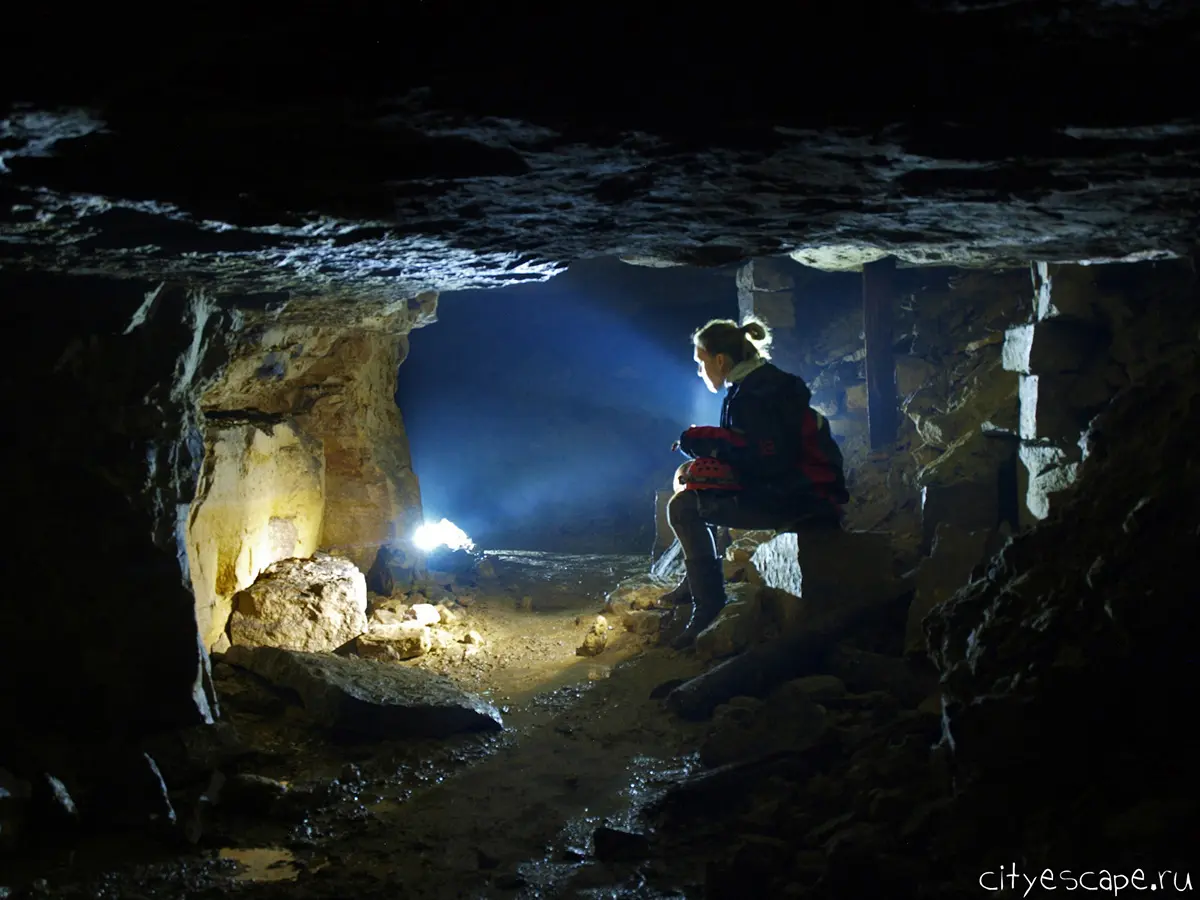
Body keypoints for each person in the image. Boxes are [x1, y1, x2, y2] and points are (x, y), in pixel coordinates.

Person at [662, 315, 849, 650]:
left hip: (798, 500)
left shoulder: (754, 394)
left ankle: (708, 606)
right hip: (801, 491)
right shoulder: (761, 383)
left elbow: (766, 459)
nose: (700, 371)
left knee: (684, 507)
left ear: (720, 359)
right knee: (700, 485)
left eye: (701, 362)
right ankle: (694, 584)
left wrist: (705, 441)